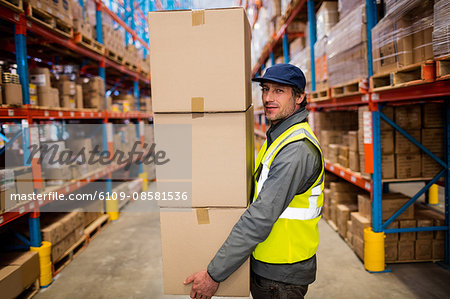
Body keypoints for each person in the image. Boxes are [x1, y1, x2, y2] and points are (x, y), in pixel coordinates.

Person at [184, 64, 324, 299]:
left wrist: (214, 274)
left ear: (299, 97)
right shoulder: (278, 137)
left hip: (281, 274)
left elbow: (260, 216)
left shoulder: (296, 149)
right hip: (270, 264)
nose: (268, 98)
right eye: (265, 89)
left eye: (279, 91)